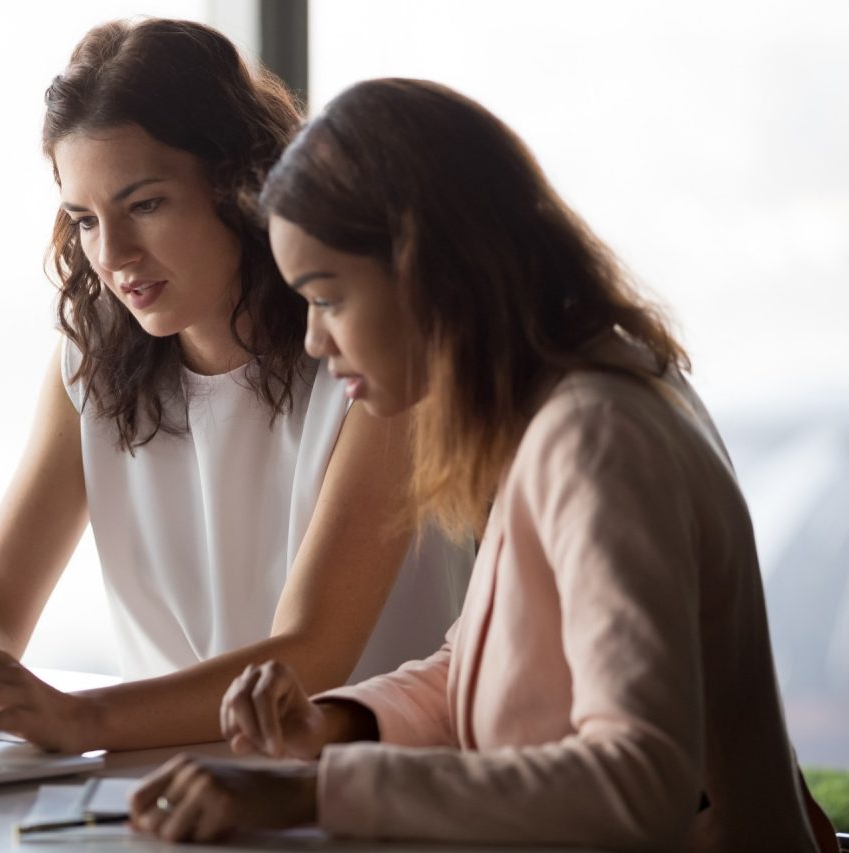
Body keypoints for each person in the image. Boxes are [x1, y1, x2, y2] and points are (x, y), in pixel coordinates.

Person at [129, 79, 839, 852]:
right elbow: (476, 659)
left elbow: (642, 779)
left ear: (432, 272)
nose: (313, 340)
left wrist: (313, 792)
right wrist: (331, 724)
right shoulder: (560, 404)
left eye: (327, 297)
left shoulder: (598, 439)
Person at [0, 25, 471, 753]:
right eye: (85, 220)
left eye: (145, 204)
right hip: (157, 788)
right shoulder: (93, 361)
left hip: (347, 792)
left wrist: (78, 718)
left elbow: (309, 657)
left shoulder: (367, 357)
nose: (112, 256)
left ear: (240, 183)